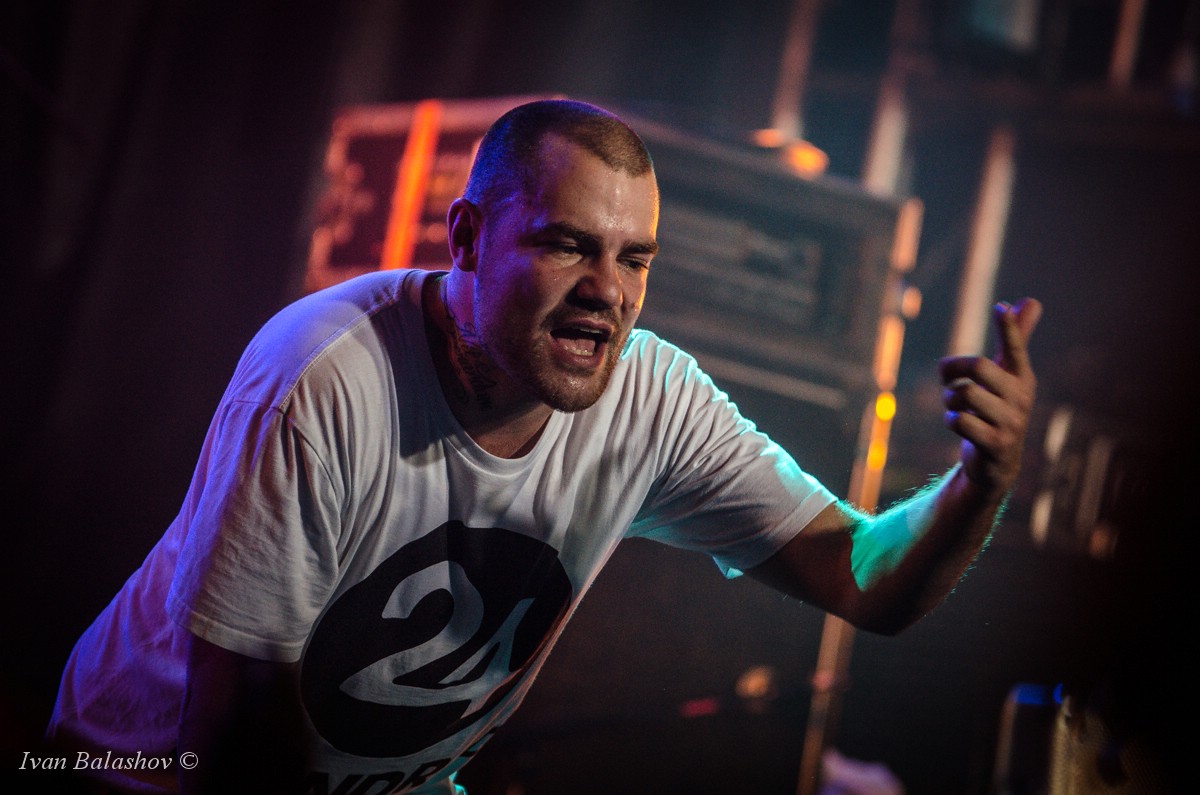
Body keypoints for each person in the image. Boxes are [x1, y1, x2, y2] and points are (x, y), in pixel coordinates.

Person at [47, 98, 1041, 794]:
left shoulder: (652, 399)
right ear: (467, 237)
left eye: (635, 259)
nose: (609, 291)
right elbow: (239, 742)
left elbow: (866, 580)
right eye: (568, 245)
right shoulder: (327, 377)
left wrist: (978, 482)